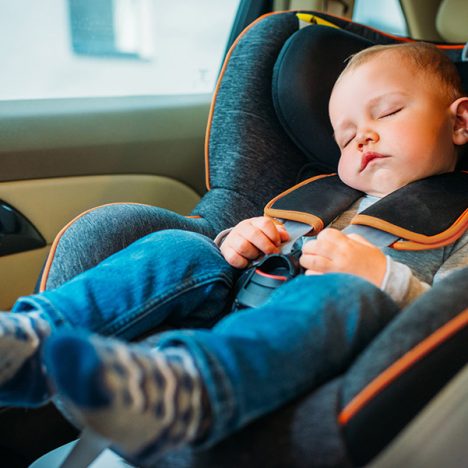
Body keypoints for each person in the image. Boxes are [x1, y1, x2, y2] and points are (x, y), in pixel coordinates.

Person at [0, 42, 467, 465]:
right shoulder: (321, 198)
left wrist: (384, 277)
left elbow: (452, 318)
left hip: (339, 349)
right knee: (184, 246)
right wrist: (238, 242)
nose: (362, 136)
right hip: (234, 312)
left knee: (343, 293)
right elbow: (246, 253)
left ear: (460, 121)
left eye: (386, 113)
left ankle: (191, 396)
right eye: (345, 138)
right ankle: (34, 340)